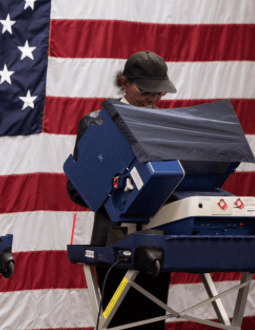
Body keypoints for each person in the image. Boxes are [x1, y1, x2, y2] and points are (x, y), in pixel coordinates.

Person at [66, 51, 176, 330]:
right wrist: (115, 185)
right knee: (117, 322)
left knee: (152, 321)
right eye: (146, 91)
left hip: (156, 237)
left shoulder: (168, 127)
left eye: (159, 93)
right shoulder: (96, 124)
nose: (153, 99)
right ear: (124, 83)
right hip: (113, 240)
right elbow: (76, 189)